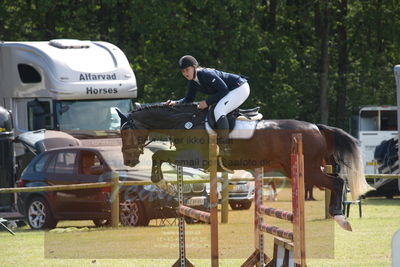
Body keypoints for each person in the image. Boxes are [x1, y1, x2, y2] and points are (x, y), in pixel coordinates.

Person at [166, 55, 250, 156]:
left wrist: (207, 102)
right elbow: (189, 99)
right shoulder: (193, 82)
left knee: (219, 110)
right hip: (230, 91)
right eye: (183, 71)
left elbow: (224, 90)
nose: (185, 73)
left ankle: (225, 147)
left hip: (240, 88)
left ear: (194, 67)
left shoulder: (205, 74)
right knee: (216, 109)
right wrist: (176, 102)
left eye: (187, 70)